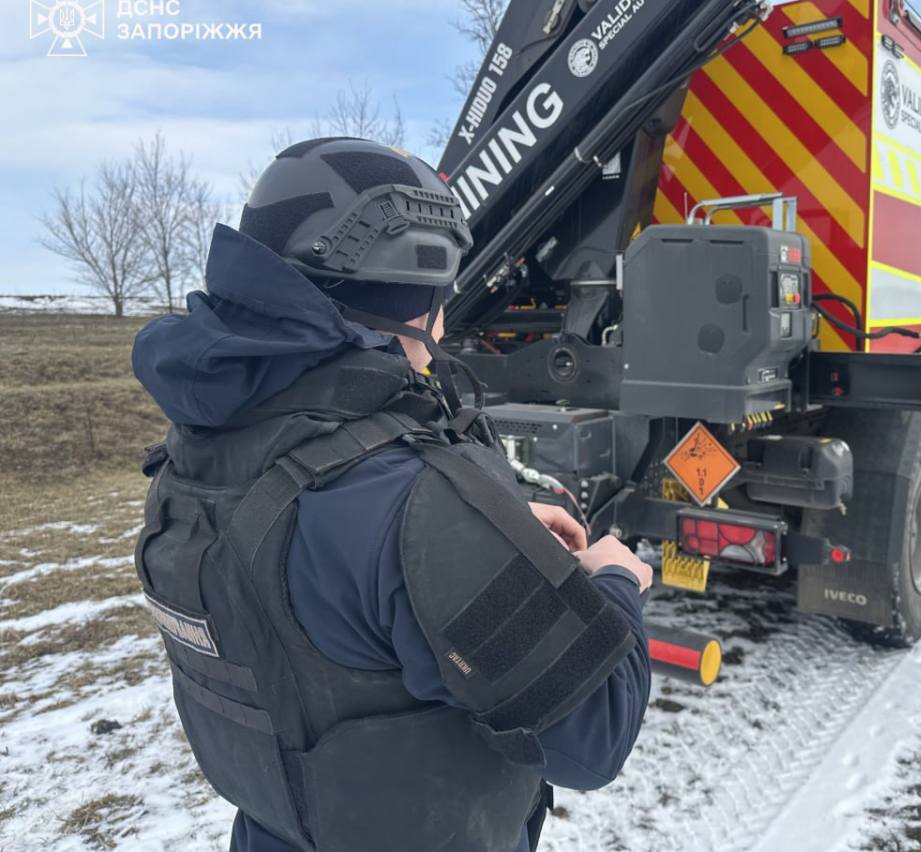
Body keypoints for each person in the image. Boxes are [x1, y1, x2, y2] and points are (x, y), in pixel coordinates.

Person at [130, 137, 653, 852]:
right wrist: (615, 577)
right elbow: (594, 734)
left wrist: (483, 531)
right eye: (443, 297)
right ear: (417, 289)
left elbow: (314, 565)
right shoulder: (411, 501)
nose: (444, 323)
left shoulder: (202, 445)